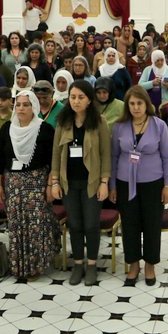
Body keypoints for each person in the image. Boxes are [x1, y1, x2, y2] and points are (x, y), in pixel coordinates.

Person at [110, 86, 168, 287]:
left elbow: (166, 157)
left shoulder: (159, 125)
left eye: (139, 103)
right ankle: (133, 265)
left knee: (151, 224)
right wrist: (112, 185)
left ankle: (150, 265)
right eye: (132, 104)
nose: (136, 108)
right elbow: (113, 157)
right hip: (124, 182)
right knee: (130, 225)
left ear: (147, 104)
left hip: (153, 183)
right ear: (127, 106)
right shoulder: (120, 126)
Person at [49, 81, 112, 286]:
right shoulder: (62, 121)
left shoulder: (99, 122)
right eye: (73, 97)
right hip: (69, 183)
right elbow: (57, 154)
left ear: (89, 100)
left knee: (91, 224)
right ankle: (78, 263)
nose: (76, 101)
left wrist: (104, 182)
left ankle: (92, 264)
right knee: (75, 225)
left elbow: (105, 154)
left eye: (80, 97)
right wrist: (55, 181)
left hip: (91, 182)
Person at [0, 91, 58, 280]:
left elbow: (52, 160)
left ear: (34, 107)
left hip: (37, 182)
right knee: (16, 225)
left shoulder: (44, 129)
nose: (21, 108)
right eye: (18, 104)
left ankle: (36, 265)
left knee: (36, 224)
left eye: (26, 105)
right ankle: (19, 264)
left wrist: (49, 185)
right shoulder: (7, 129)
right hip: (13, 183)